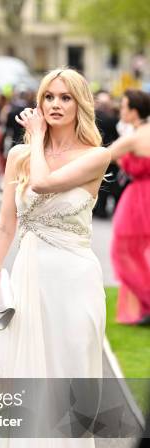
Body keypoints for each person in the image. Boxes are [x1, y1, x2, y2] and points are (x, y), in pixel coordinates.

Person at [0, 68, 110, 448]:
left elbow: (45, 185)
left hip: (73, 284)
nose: (54, 104)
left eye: (65, 98)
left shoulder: (95, 155)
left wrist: (35, 138)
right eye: (48, 96)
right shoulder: (19, 156)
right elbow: (6, 225)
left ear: (80, 105)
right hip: (28, 281)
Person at [108, 89, 150, 325]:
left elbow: (104, 156)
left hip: (139, 199)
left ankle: (147, 301)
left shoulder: (133, 138)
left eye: (124, 107)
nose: (121, 111)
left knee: (123, 252)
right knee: (140, 252)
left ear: (134, 111)